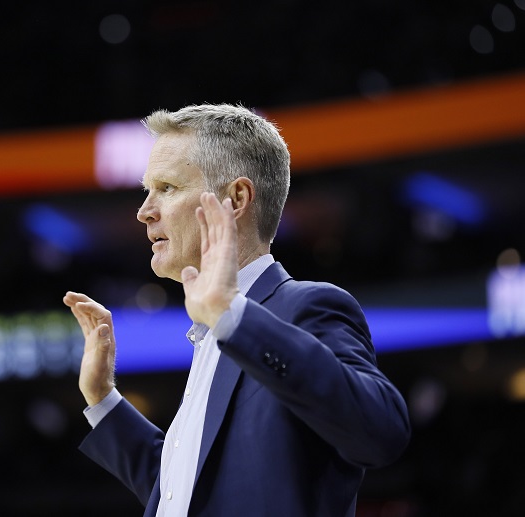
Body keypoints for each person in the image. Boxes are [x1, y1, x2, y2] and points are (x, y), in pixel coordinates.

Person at [63, 104, 410, 516]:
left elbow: (381, 431)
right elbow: (187, 491)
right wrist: (103, 399)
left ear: (236, 199)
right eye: (147, 191)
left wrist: (234, 317)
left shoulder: (303, 307)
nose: (144, 211)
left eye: (167, 188)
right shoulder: (215, 331)